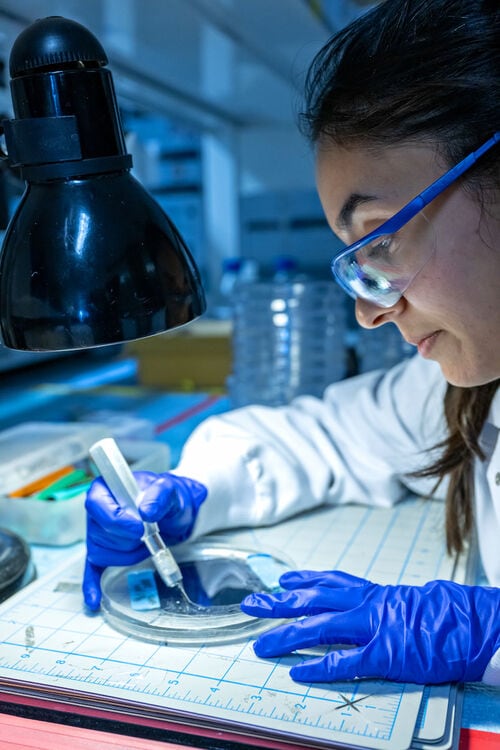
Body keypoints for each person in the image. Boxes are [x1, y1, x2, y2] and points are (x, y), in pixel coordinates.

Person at [83, 0, 500, 686]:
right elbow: (326, 437)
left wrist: (487, 635)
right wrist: (193, 491)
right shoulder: (466, 392)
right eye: (357, 260)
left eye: (382, 239)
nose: (370, 314)